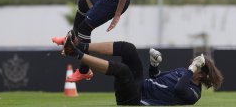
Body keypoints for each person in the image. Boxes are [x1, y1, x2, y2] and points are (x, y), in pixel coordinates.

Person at [62, 30, 224, 105]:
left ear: (201, 74)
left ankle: (75, 53)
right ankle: (80, 46)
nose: (191, 63)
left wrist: (192, 68)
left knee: (123, 71)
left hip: (137, 101)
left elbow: (179, 89)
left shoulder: (195, 94)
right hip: (140, 84)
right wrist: (154, 64)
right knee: (129, 49)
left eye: (196, 64)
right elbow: (156, 77)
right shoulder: (184, 72)